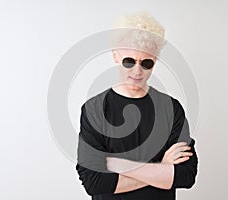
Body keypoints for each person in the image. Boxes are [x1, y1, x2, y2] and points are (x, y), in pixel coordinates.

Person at [76, 11, 198, 200]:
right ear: (116, 56)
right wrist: (162, 169)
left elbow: (186, 175)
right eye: (129, 61)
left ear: (155, 61)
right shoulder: (94, 109)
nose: (137, 71)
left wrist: (117, 165)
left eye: (146, 63)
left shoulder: (171, 109)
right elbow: (94, 182)